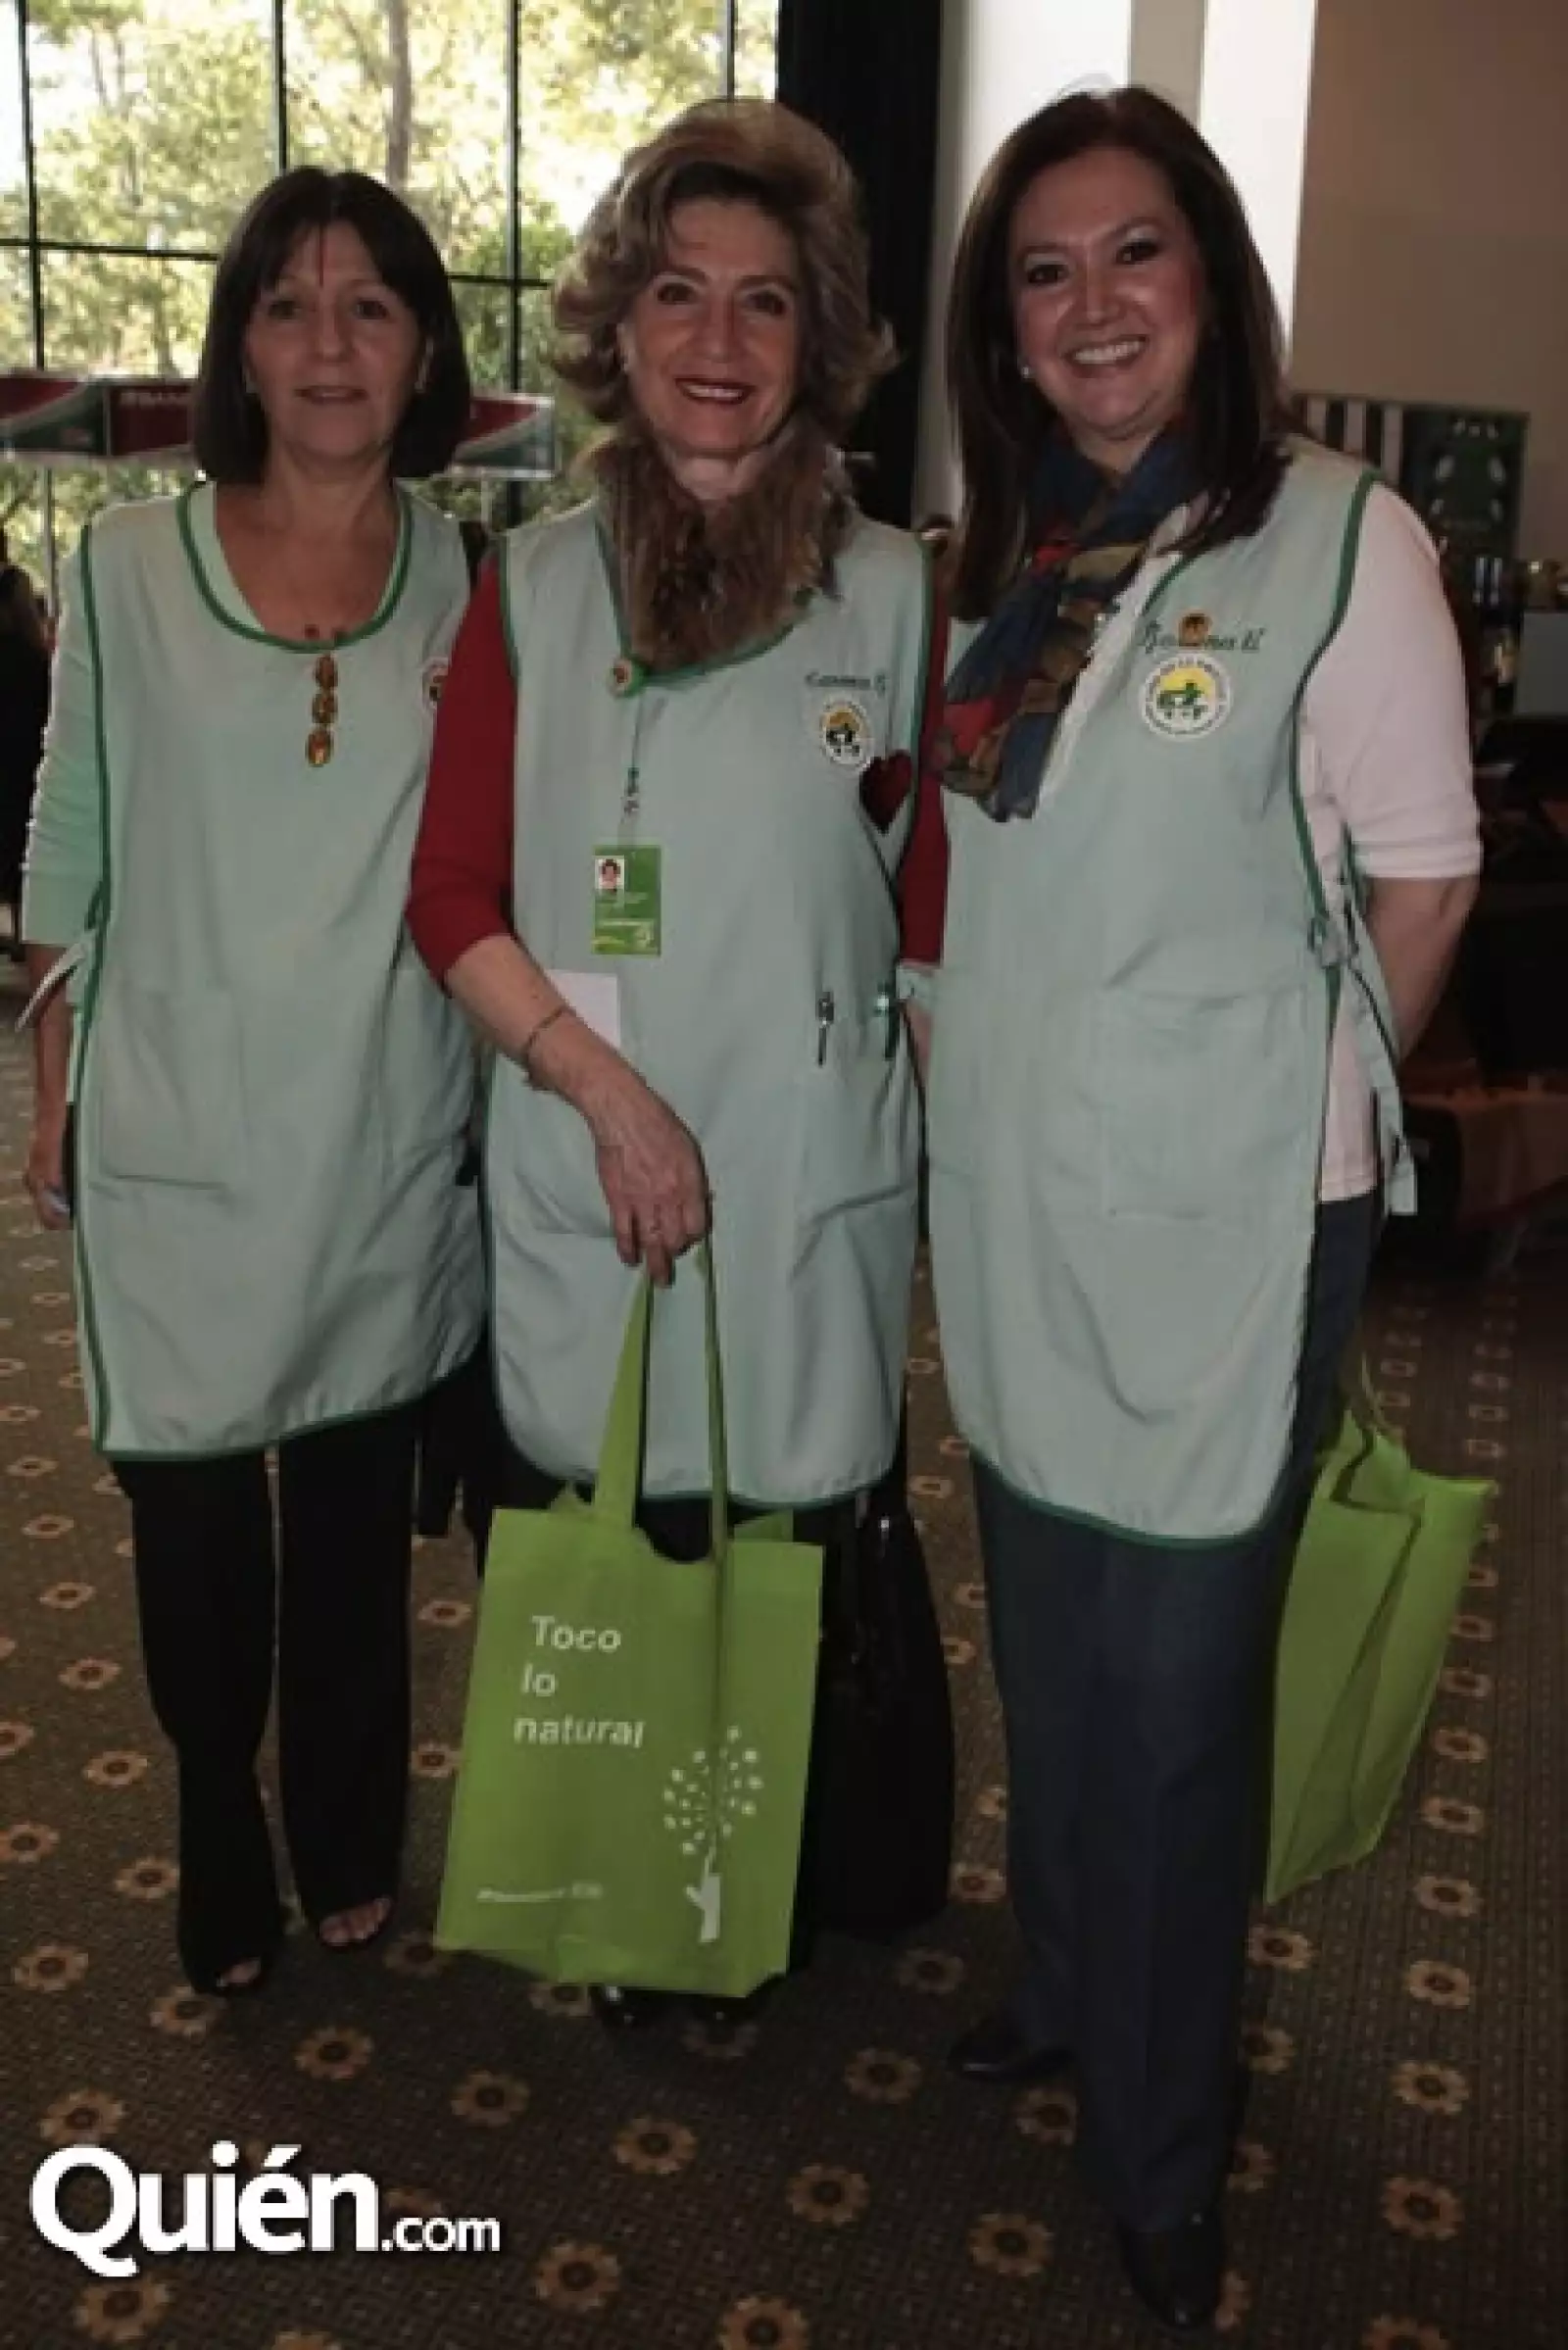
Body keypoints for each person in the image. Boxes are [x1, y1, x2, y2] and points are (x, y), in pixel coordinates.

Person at [902, 88, 1480, 2331]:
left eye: (1130, 251)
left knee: (1168, 1693)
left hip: (1226, 1216)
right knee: (1047, 1629)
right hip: (1021, 1200)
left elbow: (1420, 883)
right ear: (1001, 328)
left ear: (1211, 282)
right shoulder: (1011, 554)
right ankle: (1065, 1983)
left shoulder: (1339, 539)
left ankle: (1158, 2140)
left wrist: (1274, 1106)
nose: (1089, 305)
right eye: (1040, 271)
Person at [410, 98, 932, 2029]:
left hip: (802, 1167)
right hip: (592, 1137)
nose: (718, 340)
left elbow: (930, 894)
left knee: (786, 1531)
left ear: (819, 338)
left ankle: (761, 1879)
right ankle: (637, 1885)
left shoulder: (895, 593)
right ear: (616, 328)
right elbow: (450, 891)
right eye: (678, 294)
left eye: (764, 301)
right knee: (615, 1516)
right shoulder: (534, 590)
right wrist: (604, 1092)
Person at [22, 168, 484, 1997]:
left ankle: (350, 1831)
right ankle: (219, 1806)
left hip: (381, 1119)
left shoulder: (473, 577)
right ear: (238, 347)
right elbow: (69, 842)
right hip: (179, 1116)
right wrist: (51, 1085)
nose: (329, 344)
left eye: (371, 305)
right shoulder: (128, 566)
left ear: (426, 349)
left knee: (358, 1529)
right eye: (287, 305)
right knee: (200, 1522)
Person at [0, 557, 51, 959]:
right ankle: (24, 933)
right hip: (24, 762)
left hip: (12, 759)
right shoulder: (34, 659)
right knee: (20, 847)